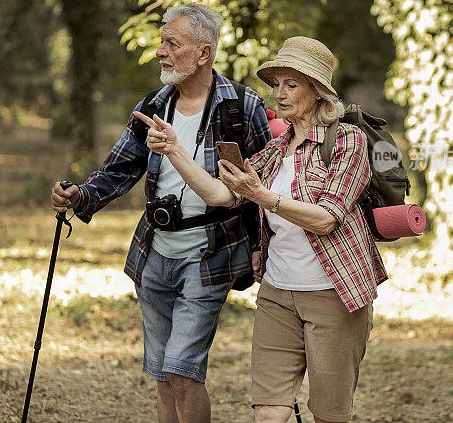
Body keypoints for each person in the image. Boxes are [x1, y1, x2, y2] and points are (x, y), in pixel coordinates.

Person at [134, 36, 388, 423]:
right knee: (267, 410)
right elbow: (221, 194)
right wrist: (173, 150)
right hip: (277, 293)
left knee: (329, 413)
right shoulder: (277, 146)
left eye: (292, 84)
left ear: (317, 91)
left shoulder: (347, 142)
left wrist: (263, 196)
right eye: (276, 85)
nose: (279, 94)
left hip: (334, 294)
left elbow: (326, 218)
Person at [51, 2, 271, 423]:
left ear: (203, 53)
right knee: (163, 376)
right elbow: (118, 170)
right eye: (162, 41)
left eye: (173, 42)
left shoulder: (241, 107)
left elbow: (267, 184)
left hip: (210, 256)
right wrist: (79, 195)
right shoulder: (153, 105)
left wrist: (264, 247)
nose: (160, 51)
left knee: (182, 372)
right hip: (154, 253)